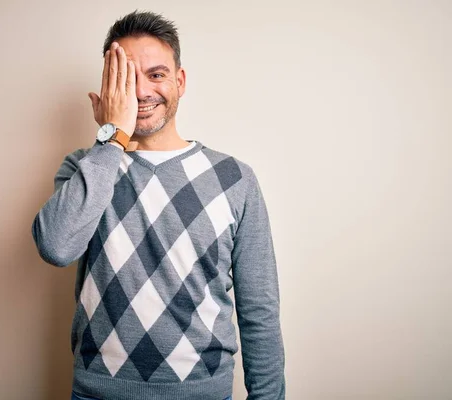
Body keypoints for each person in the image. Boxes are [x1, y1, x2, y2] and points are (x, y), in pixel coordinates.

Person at [32, 10, 285, 400]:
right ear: (109, 88)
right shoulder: (85, 168)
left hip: (204, 393)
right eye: (127, 78)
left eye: (156, 74)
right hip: (97, 392)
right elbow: (56, 246)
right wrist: (111, 139)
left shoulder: (235, 179)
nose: (141, 92)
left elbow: (260, 314)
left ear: (180, 81)